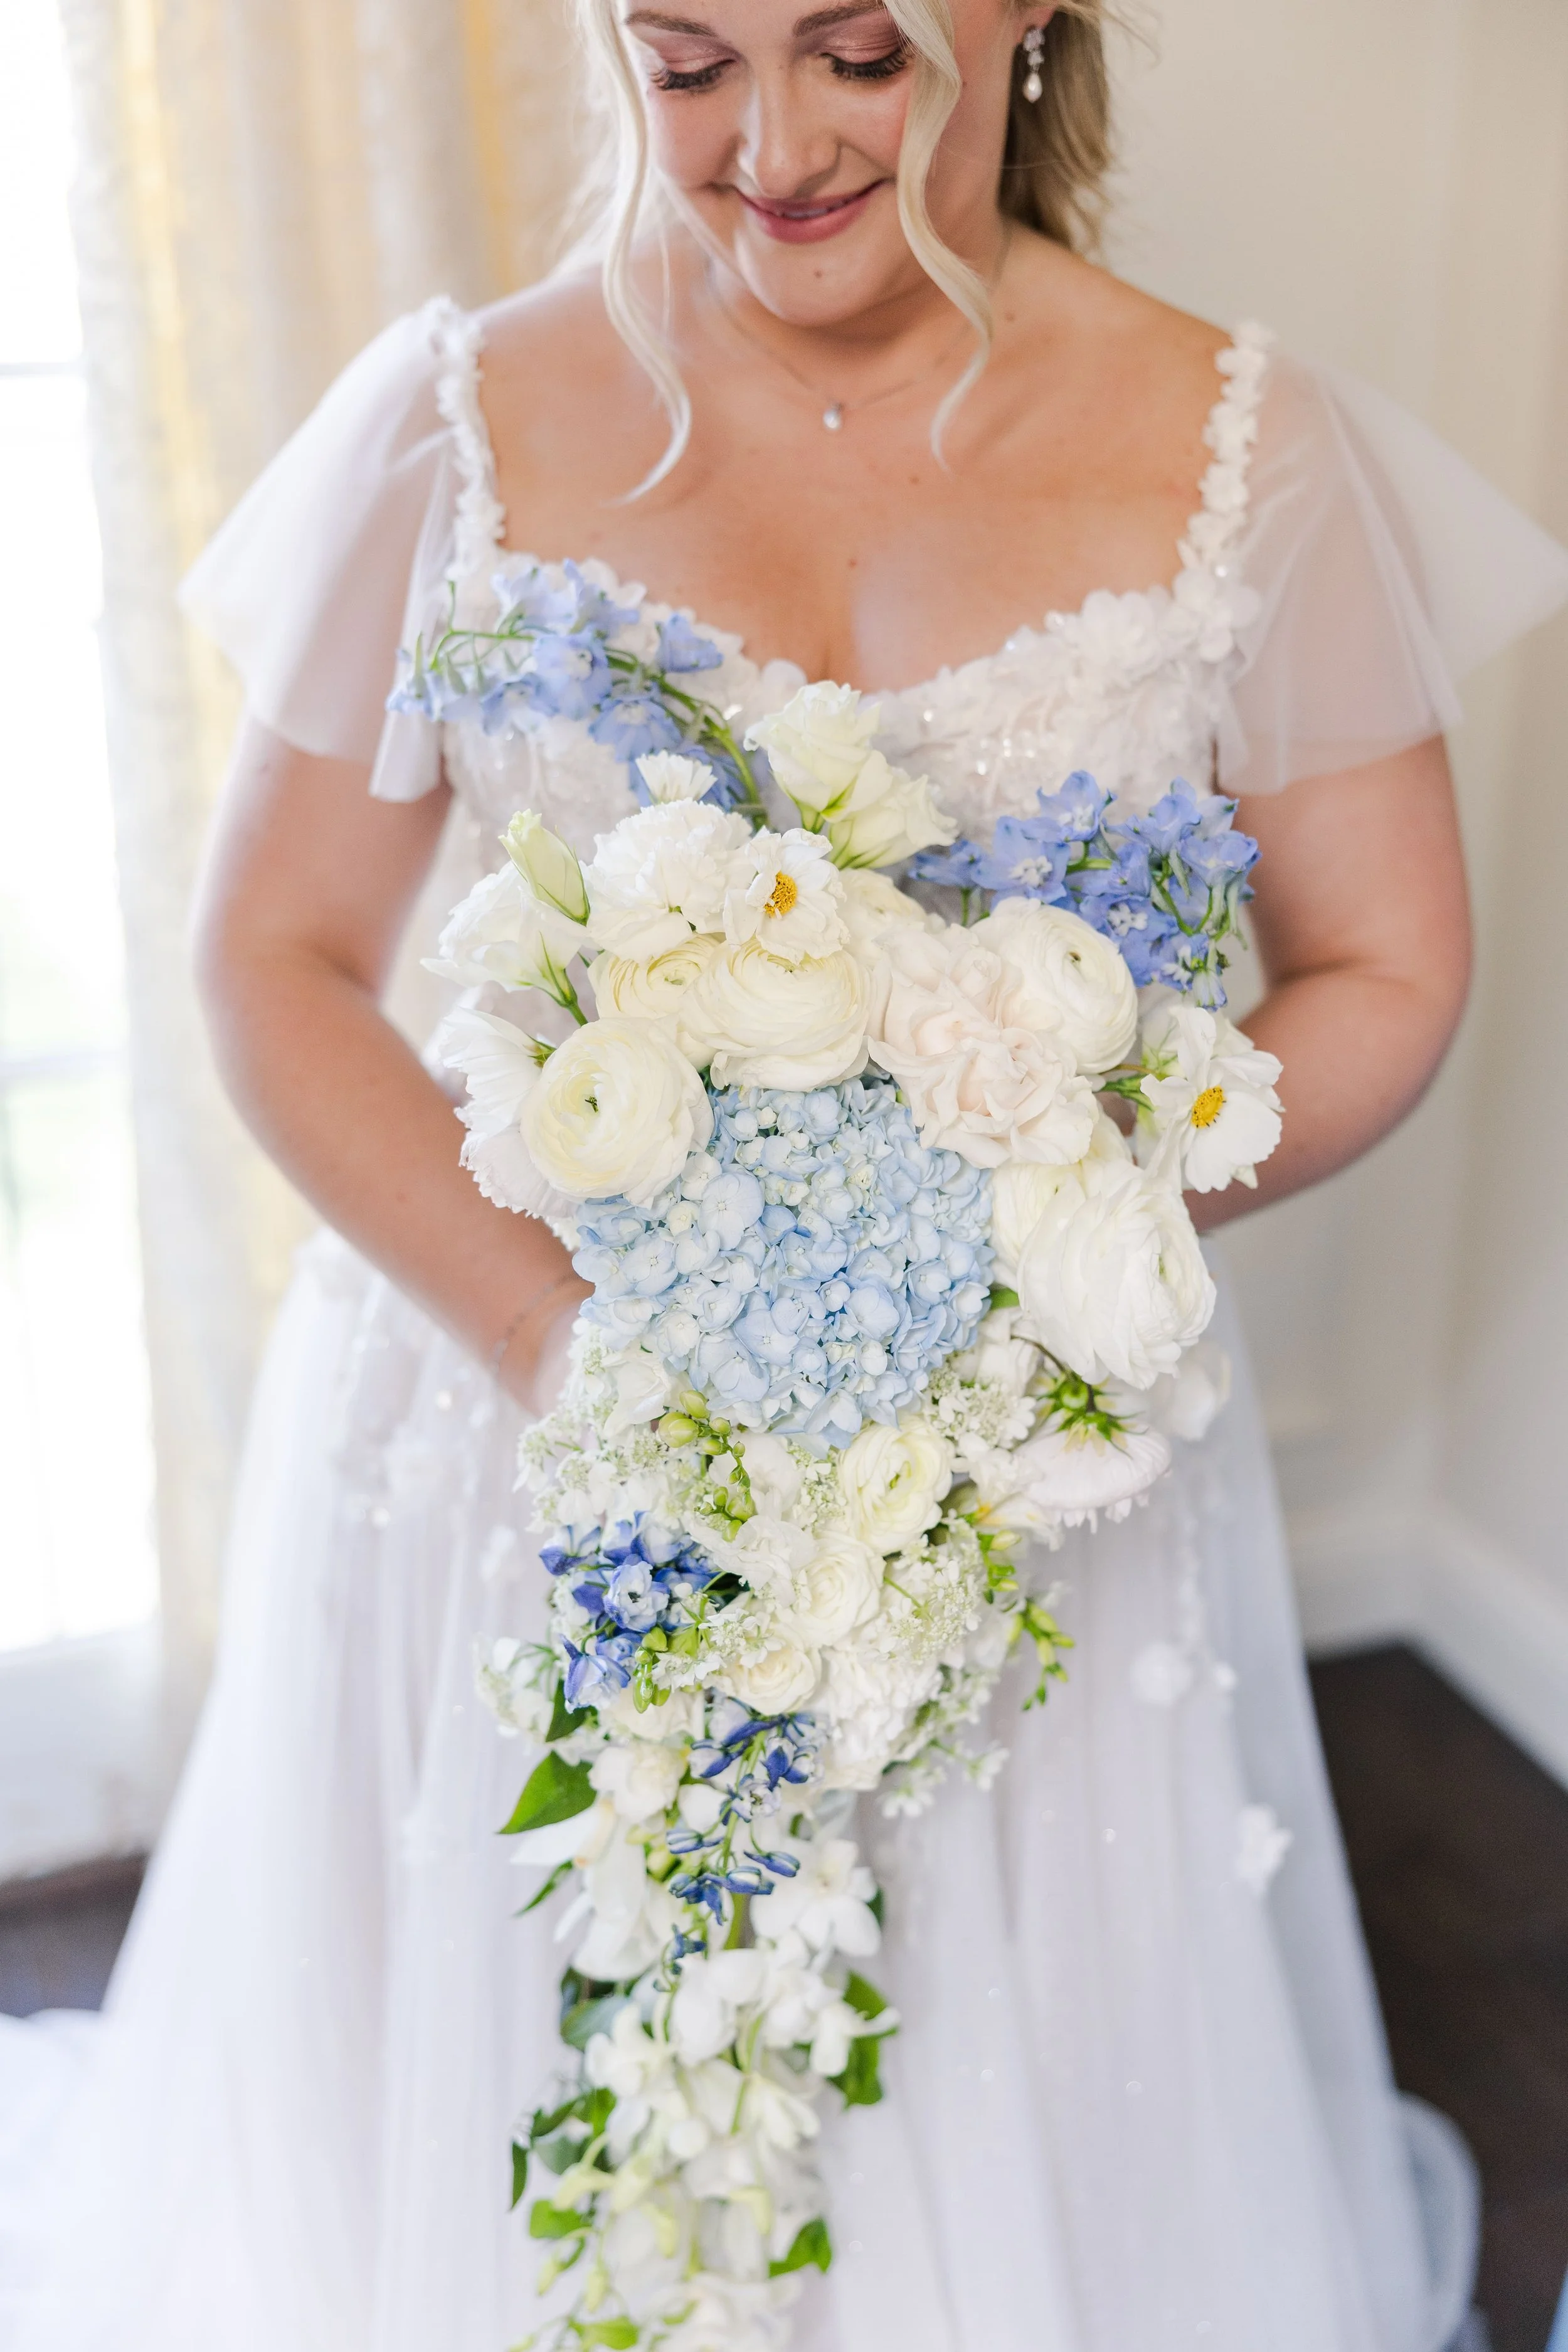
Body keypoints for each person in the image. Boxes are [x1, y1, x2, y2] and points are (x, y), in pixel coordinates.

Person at [6, 2, 1567, 2347]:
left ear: (1020, 20)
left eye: (853, 56)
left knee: (979, 2040)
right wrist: (595, 1359)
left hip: (1000, 1440)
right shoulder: (456, 418)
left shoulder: (1253, 448)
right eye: (686, 62)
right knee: (513, 2073)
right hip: (519, 1430)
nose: (769, 149)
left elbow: (1381, 968)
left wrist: (1019, 1222)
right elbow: (277, 953)